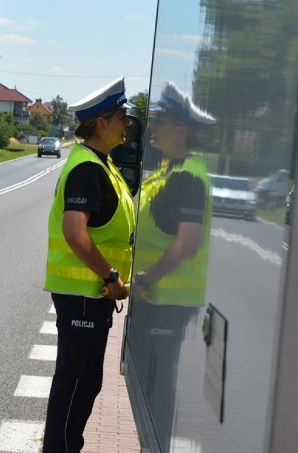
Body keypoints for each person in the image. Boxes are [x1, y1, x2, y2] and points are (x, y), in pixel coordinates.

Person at [42, 77, 137, 453]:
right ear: (102, 122)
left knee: (83, 381)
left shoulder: (103, 164)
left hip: (90, 295)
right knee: (77, 381)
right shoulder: (87, 167)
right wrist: (110, 276)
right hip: (84, 293)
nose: (126, 123)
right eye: (121, 117)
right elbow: (74, 232)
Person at [127, 81, 215, 450]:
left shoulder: (188, 176)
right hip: (155, 299)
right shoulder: (169, 170)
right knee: (148, 384)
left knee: (158, 388)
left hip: (167, 300)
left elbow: (187, 242)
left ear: (182, 129)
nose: (155, 125)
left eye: (162, 119)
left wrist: (148, 276)